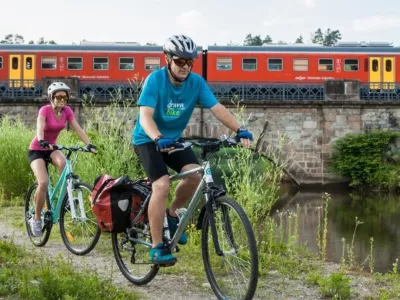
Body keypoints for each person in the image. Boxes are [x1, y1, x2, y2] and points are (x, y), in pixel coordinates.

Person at [132, 34, 253, 265]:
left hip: (173, 140)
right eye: (180, 61)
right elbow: (145, 116)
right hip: (147, 140)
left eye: (190, 62)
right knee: (162, 184)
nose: (185, 67)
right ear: (168, 59)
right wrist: (157, 137)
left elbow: (217, 108)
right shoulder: (155, 80)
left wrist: (240, 129)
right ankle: (157, 246)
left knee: (196, 176)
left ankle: (172, 213)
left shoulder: (196, 83)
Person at [28, 82, 97, 237]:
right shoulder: (45, 110)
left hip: (52, 148)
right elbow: (40, 125)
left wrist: (89, 144)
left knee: (64, 164)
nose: (61, 100)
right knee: (43, 182)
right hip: (37, 149)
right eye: (58, 96)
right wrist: (41, 139)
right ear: (51, 97)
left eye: (64, 97)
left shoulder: (67, 111)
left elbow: (77, 128)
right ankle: (36, 218)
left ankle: (65, 198)